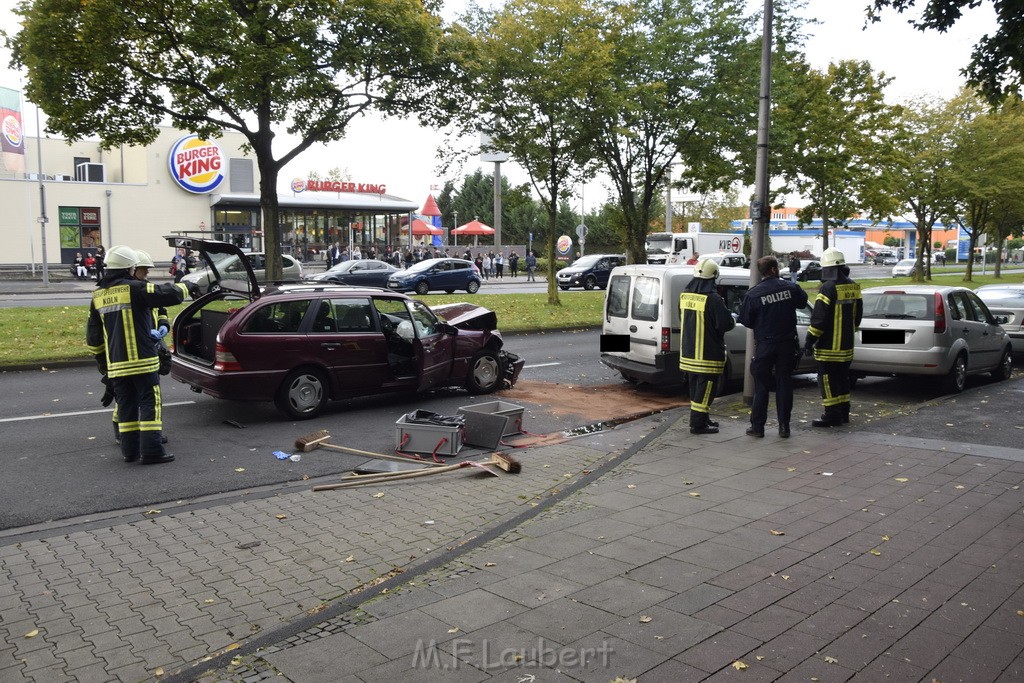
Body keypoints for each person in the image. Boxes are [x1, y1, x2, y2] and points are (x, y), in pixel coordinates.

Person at [87, 245, 193, 465]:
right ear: (129, 267)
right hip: (143, 361)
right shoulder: (134, 288)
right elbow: (168, 293)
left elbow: (94, 337)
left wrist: (104, 366)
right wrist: (188, 286)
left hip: (116, 364)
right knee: (149, 404)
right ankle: (152, 451)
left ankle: (130, 451)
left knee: (126, 407)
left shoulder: (98, 295)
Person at [738, 255, 809, 438]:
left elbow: (746, 320)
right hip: (786, 343)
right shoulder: (790, 287)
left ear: (762, 272)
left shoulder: (753, 294)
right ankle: (784, 427)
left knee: (761, 385)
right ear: (775, 269)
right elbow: (802, 302)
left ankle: (757, 427)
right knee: (784, 383)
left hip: (765, 344)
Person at [804, 248, 863, 428]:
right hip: (846, 347)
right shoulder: (853, 286)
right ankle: (843, 413)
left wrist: (809, 340)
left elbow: (819, 319)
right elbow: (858, 316)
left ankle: (831, 415)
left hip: (828, 348)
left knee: (827, 380)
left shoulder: (828, 288)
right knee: (843, 379)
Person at [679, 258, 735, 434]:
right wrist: (732, 317)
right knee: (707, 390)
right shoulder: (714, 299)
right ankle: (698, 424)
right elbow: (725, 324)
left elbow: (683, 319)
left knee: (696, 390)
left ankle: (703, 418)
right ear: (714, 277)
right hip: (707, 355)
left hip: (688, 354)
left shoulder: (685, 295)